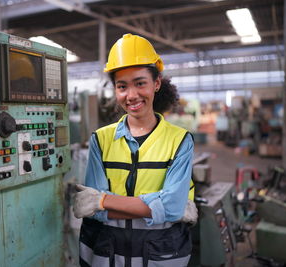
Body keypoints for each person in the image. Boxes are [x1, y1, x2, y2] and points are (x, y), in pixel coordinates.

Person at [73, 33, 197, 267]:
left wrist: (104, 201)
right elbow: (94, 211)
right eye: (122, 86)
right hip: (108, 254)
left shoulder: (180, 140)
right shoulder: (101, 140)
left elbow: (171, 207)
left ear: (156, 84)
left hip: (160, 253)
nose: (131, 95)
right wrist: (157, 207)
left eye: (140, 83)